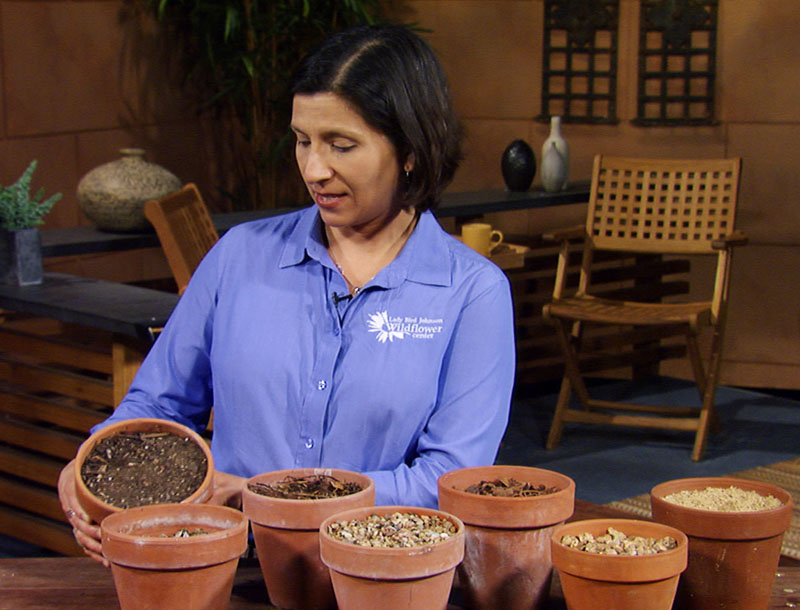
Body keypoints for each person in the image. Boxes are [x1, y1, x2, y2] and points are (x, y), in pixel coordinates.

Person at [58, 23, 515, 563]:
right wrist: (96, 456)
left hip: (382, 574)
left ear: (412, 150)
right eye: (303, 141)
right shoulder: (239, 257)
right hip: (225, 566)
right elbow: (157, 403)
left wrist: (268, 499)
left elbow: (449, 481)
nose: (314, 169)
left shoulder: (471, 293)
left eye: (341, 145)